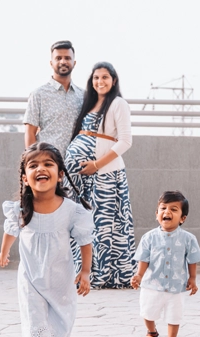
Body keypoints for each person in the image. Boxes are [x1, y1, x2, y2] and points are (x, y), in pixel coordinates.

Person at [0, 142, 94, 337]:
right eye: (33, 165)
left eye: (48, 164)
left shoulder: (72, 210)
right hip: (31, 280)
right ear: (25, 177)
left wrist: (85, 272)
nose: (41, 168)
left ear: (60, 174)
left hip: (61, 282)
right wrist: (4, 252)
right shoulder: (20, 209)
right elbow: (11, 230)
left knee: (55, 330)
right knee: (37, 331)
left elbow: (85, 241)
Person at [64, 61, 136, 289]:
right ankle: (80, 273)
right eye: (96, 78)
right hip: (82, 178)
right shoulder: (90, 103)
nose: (100, 82)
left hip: (104, 174)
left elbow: (126, 141)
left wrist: (96, 164)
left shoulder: (118, 104)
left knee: (104, 225)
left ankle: (102, 275)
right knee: (81, 222)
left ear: (113, 80)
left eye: (105, 77)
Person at [131, 191, 200, 337]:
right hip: (152, 284)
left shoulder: (189, 239)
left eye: (174, 209)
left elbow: (192, 260)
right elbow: (144, 259)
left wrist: (192, 279)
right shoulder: (149, 238)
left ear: (182, 218)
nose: (167, 212)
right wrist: (139, 276)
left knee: (174, 315)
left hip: (176, 286)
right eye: (163, 208)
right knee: (147, 312)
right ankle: (152, 332)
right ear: (157, 214)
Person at [23, 40, 84, 158]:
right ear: (51, 63)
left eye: (67, 58)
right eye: (58, 58)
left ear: (74, 62)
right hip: (49, 162)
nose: (63, 61)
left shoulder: (83, 96)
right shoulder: (38, 95)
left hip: (77, 164)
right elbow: (30, 132)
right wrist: (34, 161)